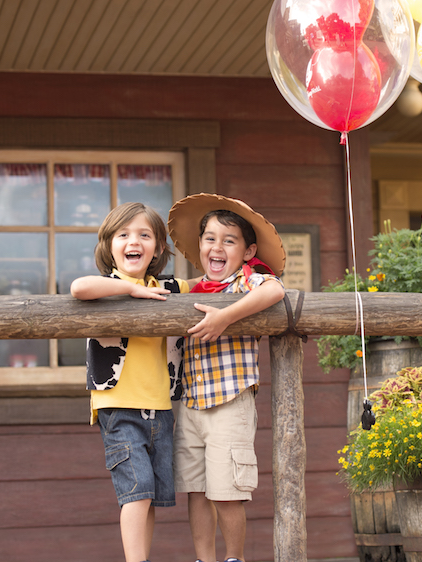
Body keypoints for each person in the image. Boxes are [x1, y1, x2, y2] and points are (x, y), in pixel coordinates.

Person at [167, 193, 286, 562]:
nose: (217, 247)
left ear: (248, 251)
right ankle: (205, 559)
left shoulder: (246, 283)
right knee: (197, 490)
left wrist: (225, 317)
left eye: (229, 241)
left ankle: (235, 558)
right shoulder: (193, 288)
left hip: (229, 402)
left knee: (227, 492)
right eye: (210, 239)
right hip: (191, 404)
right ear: (200, 245)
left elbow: (276, 288)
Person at [70, 202, 189, 562]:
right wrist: (130, 290)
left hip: (162, 408)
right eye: (123, 235)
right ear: (109, 246)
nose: (132, 241)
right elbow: (78, 287)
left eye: (144, 235)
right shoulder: (107, 285)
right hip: (118, 406)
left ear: (158, 248)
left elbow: (210, 285)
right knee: (136, 491)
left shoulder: (170, 287)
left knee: (148, 493)